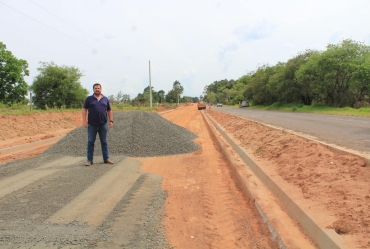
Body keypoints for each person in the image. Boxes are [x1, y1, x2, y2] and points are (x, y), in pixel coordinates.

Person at [82, 83, 114, 166]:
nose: (97, 89)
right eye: (95, 88)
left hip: (103, 124)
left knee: (104, 141)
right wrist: (84, 121)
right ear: (93, 89)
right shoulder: (89, 99)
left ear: (101, 89)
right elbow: (84, 109)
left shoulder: (105, 99)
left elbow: (109, 110)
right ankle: (89, 160)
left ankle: (106, 159)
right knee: (90, 142)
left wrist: (111, 121)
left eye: (98, 88)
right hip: (92, 124)